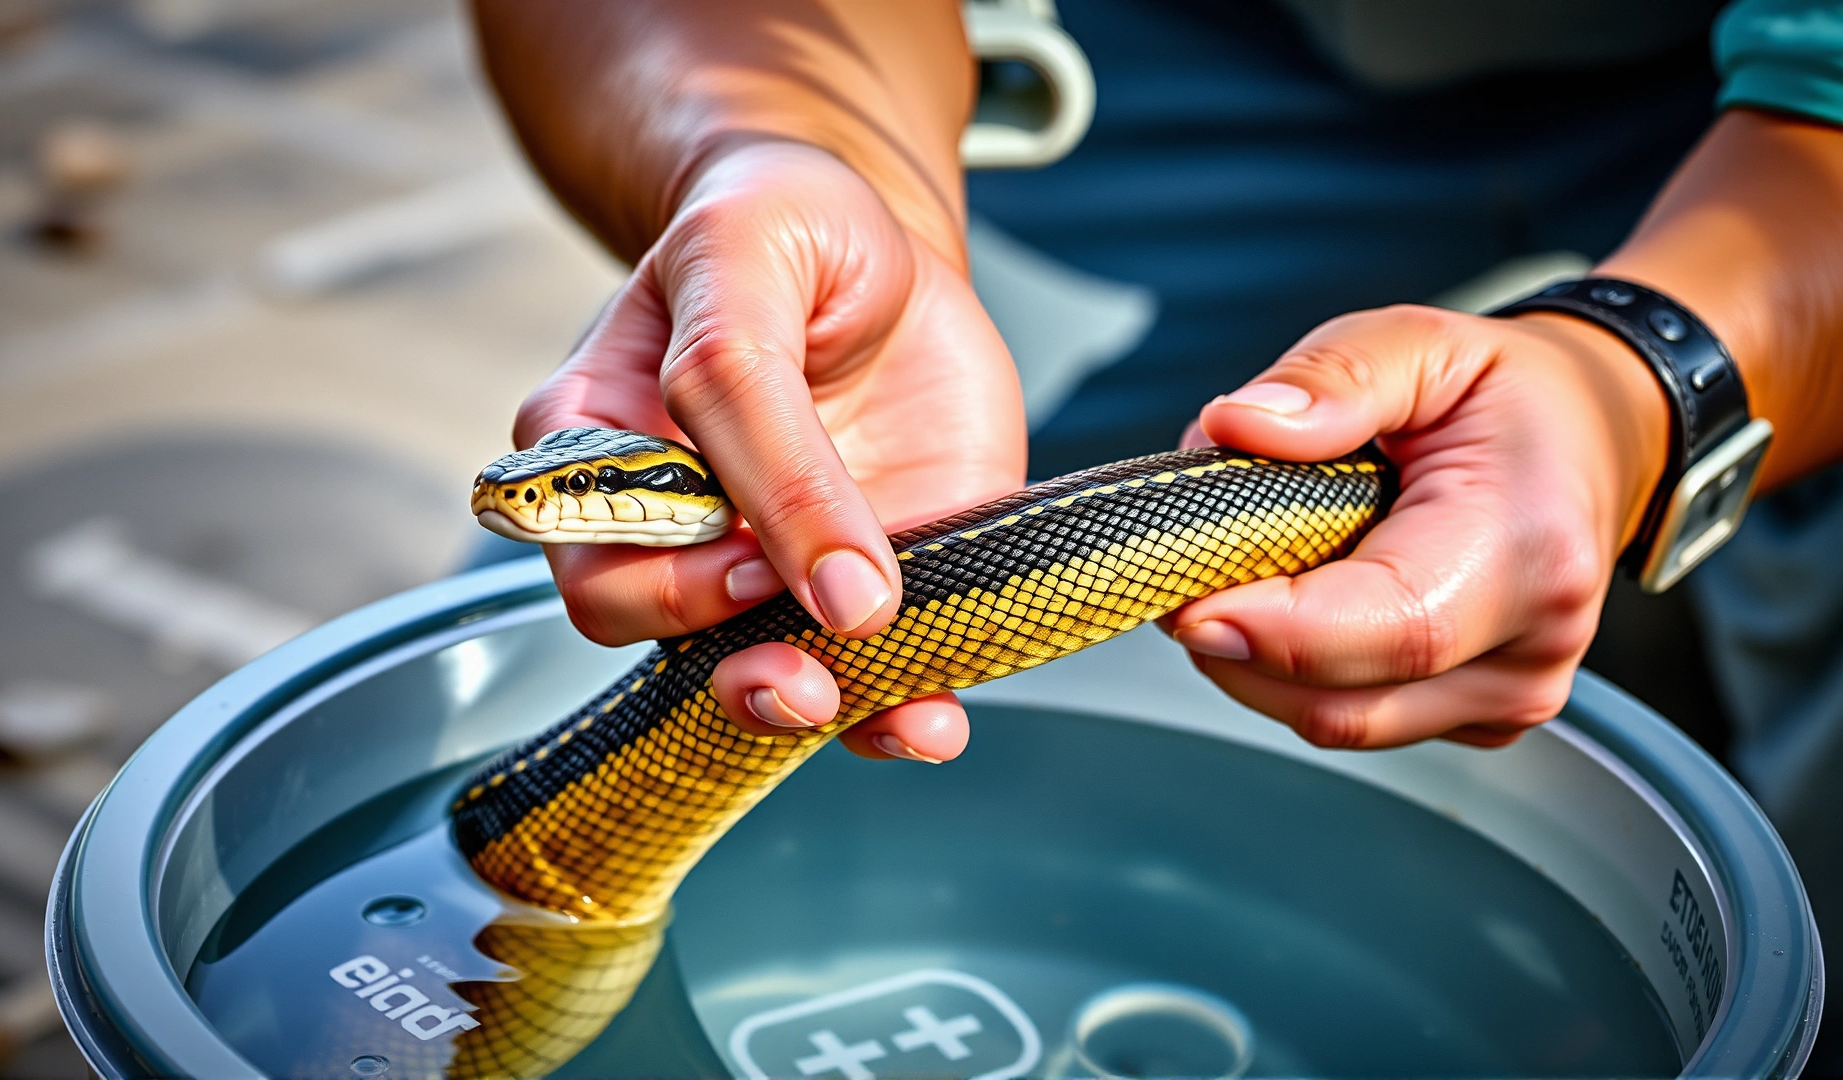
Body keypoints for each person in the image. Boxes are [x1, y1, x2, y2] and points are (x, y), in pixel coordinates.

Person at [468, 0, 1843, 1065]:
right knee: (528, 680)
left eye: (588, 482)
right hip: (1172, 52)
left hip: (1788, 138)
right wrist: (790, 158)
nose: (543, 484)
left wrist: (1633, 389)